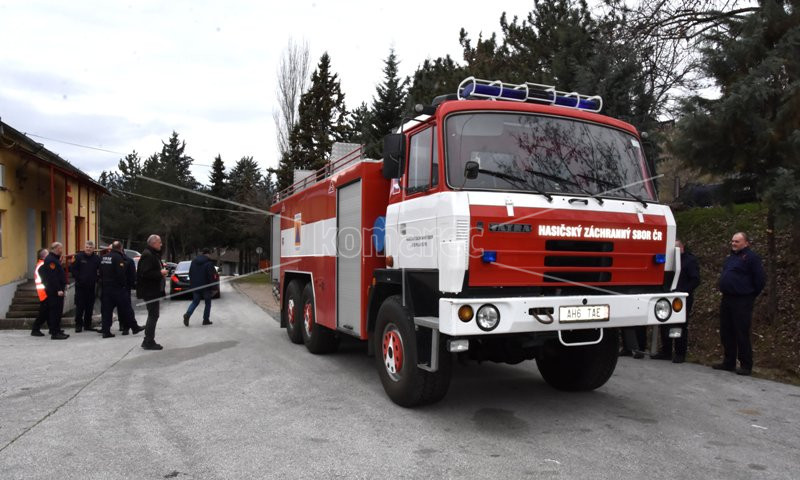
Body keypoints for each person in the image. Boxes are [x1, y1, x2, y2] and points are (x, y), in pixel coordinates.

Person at [712, 232, 765, 376]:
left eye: (737, 241)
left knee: (741, 332)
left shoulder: (752, 258)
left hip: (742, 300)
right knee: (726, 331)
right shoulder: (730, 258)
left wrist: (749, 294)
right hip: (727, 298)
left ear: (746, 243)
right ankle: (728, 362)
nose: (733, 243)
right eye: (732, 241)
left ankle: (746, 365)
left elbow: (760, 280)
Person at [653, 239, 700, 363]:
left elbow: (695, 280)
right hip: (667, 296)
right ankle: (666, 351)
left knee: (679, 325)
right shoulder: (669, 261)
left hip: (682, 298)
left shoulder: (689, 261)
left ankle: (679, 353)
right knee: (664, 324)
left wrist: (682, 292)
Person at [100, 241, 144, 338]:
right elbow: (120, 274)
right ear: (121, 248)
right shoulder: (118, 258)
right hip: (117, 288)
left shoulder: (103, 258)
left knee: (106, 310)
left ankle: (106, 331)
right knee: (127, 308)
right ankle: (134, 327)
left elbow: (100, 272)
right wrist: (123, 285)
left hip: (106, 288)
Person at [137, 234, 167, 350]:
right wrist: (160, 273)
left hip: (153, 290)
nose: (161, 244)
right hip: (149, 291)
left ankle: (148, 340)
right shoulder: (148, 255)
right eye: (159, 242)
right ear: (154, 243)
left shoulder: (152, 254)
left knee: (154, 315)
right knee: (153, 315)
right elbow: (145, 273)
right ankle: (148, 341)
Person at [39, 242, 69, 340]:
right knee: (55, 311)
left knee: (58, 311)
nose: (61, 250)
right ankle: (55, 333)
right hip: (54, 290)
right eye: (60, 248)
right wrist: (58, 289)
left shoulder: (54, 259)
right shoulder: (51, 260)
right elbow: (53, 277)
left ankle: (57, 329)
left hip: (56, 289)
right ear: (55, 248)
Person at [71, 241, 101, 332]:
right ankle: (78, 325)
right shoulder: (78, 257)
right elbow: (73, 270)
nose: (88, 249)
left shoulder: (96, 258)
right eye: (87, 247)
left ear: (93, 249)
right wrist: (79, 280)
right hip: (80, 286)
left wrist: (96, 279)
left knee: (89, 307)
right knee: (80, 307)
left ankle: (88, 325)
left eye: (90, 247)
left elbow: (100, 270)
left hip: (91, 287)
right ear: (84, 248)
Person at [183, 248, 218, 327]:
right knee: (207, 303)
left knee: (195, 302)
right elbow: (211, 277)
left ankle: (188, 314)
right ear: (208, 254)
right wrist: (214, 288)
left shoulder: (194, 262)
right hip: (206, 287)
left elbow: (190, 273)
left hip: (196, 286)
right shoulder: (209, 263)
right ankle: (206, 320)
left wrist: (192, 284)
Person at [119, 248, 139, 335]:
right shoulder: (115, 259)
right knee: (125, 309)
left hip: (124, 288)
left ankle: (125, 327)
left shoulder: (128, 260)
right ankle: (125, 326)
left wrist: (131, 284)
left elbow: (132, 274)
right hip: (117, 288)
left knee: (125, 309)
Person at [31, 248, 50, 337]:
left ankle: (52, 328)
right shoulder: (42, 265)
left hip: (43, 291)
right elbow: (46, 280)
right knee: (43, 313)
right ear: (44, 256)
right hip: (44, 292)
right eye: (48, 254)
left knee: (48, 311)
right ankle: (35, 329)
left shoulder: (41, 264)